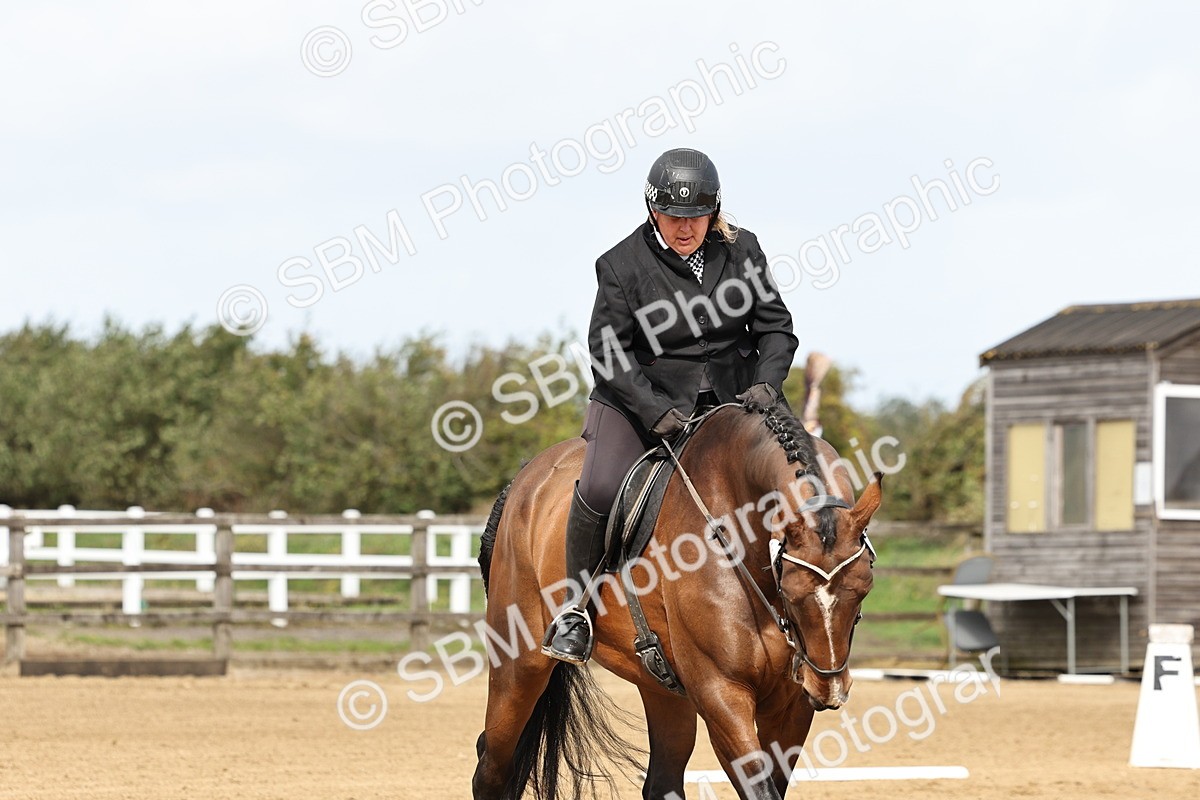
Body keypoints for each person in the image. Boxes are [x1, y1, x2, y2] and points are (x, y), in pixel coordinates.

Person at [542, 147, 800, 664]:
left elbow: (775, 326)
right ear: (652, 210)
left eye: (697, 216)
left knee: (800, 474)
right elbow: (608, 352)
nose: (686, 228)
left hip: (736, 398)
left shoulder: (742, 249)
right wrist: (653, 410)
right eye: (674, 216)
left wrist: (767, 384)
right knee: (598, 485)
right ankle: (575, 610)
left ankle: (814, 601)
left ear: (714, 211)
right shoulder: (620, 264)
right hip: (640, 398)